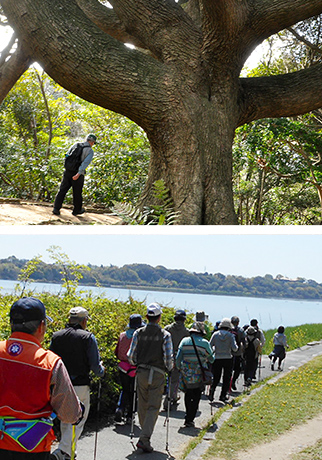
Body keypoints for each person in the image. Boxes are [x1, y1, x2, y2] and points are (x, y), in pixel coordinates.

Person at [0, 297, 82, 460]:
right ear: (41, 326)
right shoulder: (50, 363)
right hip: (31, 447)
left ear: (11, 324)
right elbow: (70, 415)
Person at [49, 306, 105, 460]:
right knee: (77, 420)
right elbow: (95, 366)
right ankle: (62, 452)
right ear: (84, 321)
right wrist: (102, 371)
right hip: (80, 384)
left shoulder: (56, 336)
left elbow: (50, 361)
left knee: (64, 420)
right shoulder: (87, 337)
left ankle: (69, 452)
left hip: (58, 384)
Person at [127, 303, 173, 453]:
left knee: (142, 405)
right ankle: (144, 439)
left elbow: (131, 356)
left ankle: (144, 437)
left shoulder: (138, 333)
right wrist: (169, 369)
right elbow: (168, 358)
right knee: (154, 407)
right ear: (159, 318)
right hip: (158, 373)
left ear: (147, 317)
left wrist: (137, 363)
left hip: (141, 372)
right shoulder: (165, 335)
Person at [176, 321, 214, 428]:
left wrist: (179, 368)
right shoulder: (205, 343)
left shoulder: (184, 341)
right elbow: (212, 359)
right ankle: (190, 418)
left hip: (186, 372)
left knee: (188, 394)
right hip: (199, 373)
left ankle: (188, 416)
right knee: (197, 395)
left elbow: (178, 357)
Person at [52, 133, 97, 216]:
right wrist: (78, 173)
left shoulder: (76, 144)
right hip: (77, 174)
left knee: (62, 190)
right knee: (77, 193)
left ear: (86, 139)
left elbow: (67, 155)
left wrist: (67, 168)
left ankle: (56, 208)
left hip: (68, 171)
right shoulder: (90, 151)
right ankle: (77, 210)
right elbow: (85, 163)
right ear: (92, 142)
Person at [114, 314, 144, 423]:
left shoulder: (122, 335)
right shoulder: (139, 336)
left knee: (125, 389)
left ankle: (120, 408)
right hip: (135, 368)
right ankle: (130, 416)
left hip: (123, 367)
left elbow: (116, 352)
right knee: (134, 391)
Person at [163, 309, 190, 410]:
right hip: (178, 358)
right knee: (174, 380)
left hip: (165, 356)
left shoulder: (167, 329)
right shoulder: (186, 332)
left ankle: (172, 397)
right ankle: (168, 400)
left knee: (167, 379)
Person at [209, 318, 238, 403]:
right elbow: (235, 348)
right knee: (226, 378)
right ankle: (222, 396)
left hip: (217, 358)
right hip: (228, 358)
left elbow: (210, 346)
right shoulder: (231, 335)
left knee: (216, 377)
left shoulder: (215, 334)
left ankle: (212, 390)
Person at [230, 316, 246, 391]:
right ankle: (233, 381)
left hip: (229, 352)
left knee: (229, 370)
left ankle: (228, 384)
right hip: (238, 352)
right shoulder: (241, 330)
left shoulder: (229, 329)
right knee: (237, 369)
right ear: (238, 322)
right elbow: (244, 341)